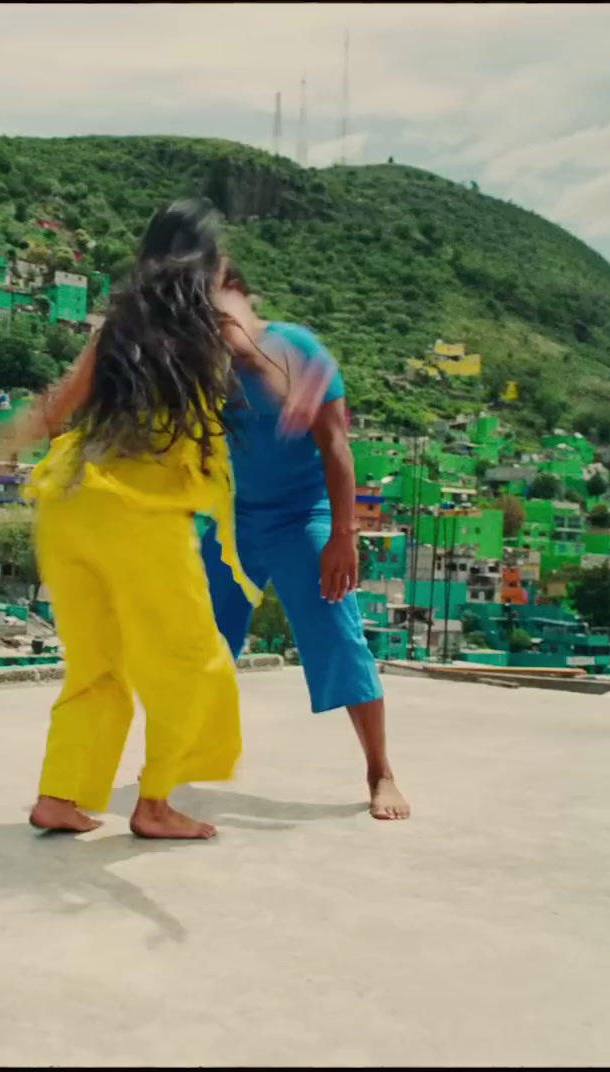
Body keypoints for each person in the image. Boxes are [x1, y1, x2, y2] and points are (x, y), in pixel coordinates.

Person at [0, 199, 325, 839]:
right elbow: (285, 379)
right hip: (141, 517)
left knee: (97, 665)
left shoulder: (118, 329)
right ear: (209, 263)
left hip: (69, 503)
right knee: (195, 663)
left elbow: (52, 412)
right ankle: (155, 803)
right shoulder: (214, 328)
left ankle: (60, 796)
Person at [201, 262, 410, 820]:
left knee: (338, 639)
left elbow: (337, 448)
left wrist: (343, 535)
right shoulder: (211, 366)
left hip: (304, 516)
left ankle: (379, 771)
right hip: (234, 521)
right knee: (200, 639)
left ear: (243, 297)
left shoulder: (298, 349)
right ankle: (178, 760)